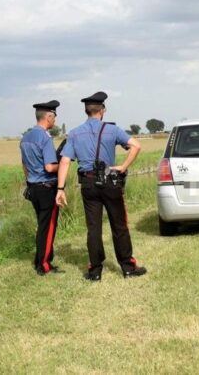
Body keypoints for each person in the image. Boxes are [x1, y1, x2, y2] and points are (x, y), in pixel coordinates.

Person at [56, 91, 146, 281]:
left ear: (86, 111)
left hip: (88, 183)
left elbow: (65, 161)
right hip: (110, 181)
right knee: (119, 225)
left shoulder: (74, 133)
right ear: (102, 110)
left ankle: (95, 270)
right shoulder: (112, 130)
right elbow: (136, 146)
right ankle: (128, 267)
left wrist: (60, 189)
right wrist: (122, 167)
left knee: (93, 227)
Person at [20, 100, 64, 276]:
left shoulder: (25, 138)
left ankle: (39, 259)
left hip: (33, 188)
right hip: (47, 188)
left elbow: (24, 165)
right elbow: (49, 167)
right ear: (48, 116)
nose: (55, 121)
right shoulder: (45, 138)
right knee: (48, 227)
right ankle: (44, 265)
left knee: (42, 225)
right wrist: (63, 163)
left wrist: (30, 181)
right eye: (54, 117)